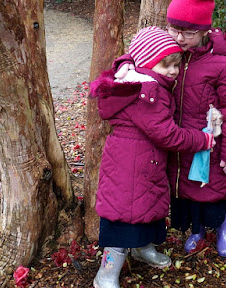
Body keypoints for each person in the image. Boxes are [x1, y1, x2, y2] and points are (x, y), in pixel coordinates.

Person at [116, 0, 226, 257]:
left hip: (211, 140)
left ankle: (222, 227)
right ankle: (197, 231)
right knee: (188, 190)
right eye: (174, 29)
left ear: (203, 31)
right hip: (180, 139)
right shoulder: (169, 47)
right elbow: (141, 52)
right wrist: (124, 64)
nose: (178, 37)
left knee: (216, 188)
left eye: (187, 33)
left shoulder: (222, 63)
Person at [90, 26, 215, 288]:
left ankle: (141, 248)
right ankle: (106, 274)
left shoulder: (144, 82)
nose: (172, 71)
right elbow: (168, 135)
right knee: (123, 219)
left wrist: (125, 61)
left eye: (175, 64)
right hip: (130, 166)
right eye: (165, 65)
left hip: (144, 163)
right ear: (146, 64)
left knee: (146, 208)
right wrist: (201, 140)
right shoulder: (148, 92)